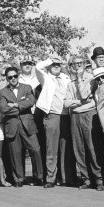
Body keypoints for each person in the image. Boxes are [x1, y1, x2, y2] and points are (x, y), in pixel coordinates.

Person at [64, 55, 104, 191]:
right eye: (74, 64)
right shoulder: (70, 83)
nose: (77, 66)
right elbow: (66, 102)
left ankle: (98, 179)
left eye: (80, 63)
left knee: (92, 147)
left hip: (89, 114)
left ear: (84, 63)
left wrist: (81, 79)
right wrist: (80, 103)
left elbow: (83, 93)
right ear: (71, 66)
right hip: (75, 116)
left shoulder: (91, 78)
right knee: (79, 148)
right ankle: (86, 178)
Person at [0, 67, 43, 187]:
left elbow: (31, 101)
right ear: (7, 79)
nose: (13, 79)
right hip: (12, 125)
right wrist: (21, 108)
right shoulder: (3, 92)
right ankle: (19, 178)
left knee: (36, 149)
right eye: (10, 77)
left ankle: (38, 177)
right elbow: (3, 109)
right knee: (15, 153)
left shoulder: (27, 87)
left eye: (15, 76)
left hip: (27, 124)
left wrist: (15, 105)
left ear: (18, 75)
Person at [35, 55, 75, 188]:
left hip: (66, 115)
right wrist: (50, 60)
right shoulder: (46, 77)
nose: (56, 66)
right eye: (54, 64)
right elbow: (38, 66)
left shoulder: (66, 78)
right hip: (52, 115)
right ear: (50, 66)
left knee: (66, 148)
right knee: (51, 148)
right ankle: (50, 178)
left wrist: (61, 62)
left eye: (58, 64)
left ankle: (66, 178)